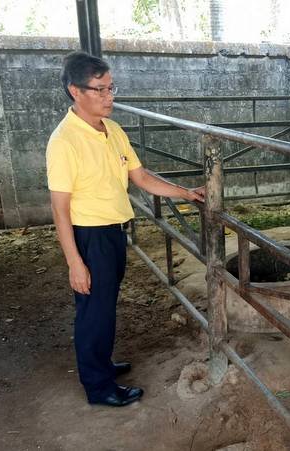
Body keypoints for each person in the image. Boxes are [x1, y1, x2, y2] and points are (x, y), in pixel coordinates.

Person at [46, 51, 205, 407]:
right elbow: (59, 208)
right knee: (94, 312)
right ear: (75, 91)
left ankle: (100, 365)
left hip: (115, 230)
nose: (109, 97)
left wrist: (187, 193)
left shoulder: (113, 130)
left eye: (110, 88)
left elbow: (142, 178)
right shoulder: (64, 141)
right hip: (89, 235)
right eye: (99, 90)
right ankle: (98, 387)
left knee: (103, 306)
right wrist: (74, 262)